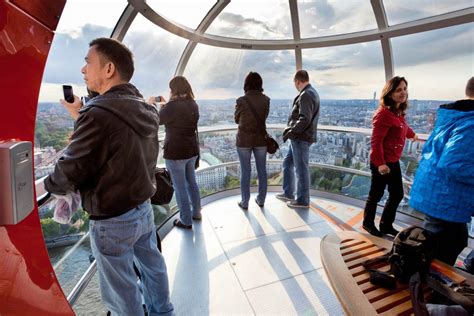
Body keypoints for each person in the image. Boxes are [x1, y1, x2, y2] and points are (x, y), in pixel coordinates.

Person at [44, 38, 173, 315]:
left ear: (109, 69)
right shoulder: (145, 108)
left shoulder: (98, 114)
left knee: (121, 289)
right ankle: (163, 311)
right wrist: (83, 114)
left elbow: (70, 169)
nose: (82, 70)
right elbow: (118, 144)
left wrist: (47, 186)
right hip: (142, 208)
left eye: (88, 62)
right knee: (153, 266)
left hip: (112, 218)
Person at [409, 77, 474, 265]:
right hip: (446, 197)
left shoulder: (452, 116)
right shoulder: (470, 122)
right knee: (445, 246)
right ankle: (430, 288)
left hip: (437, 192)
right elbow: (453, 164)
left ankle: (426, 282)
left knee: (448, 241)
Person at [362, 76, 418, 237]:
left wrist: (412, 135)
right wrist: (380, 163)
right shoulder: (384, 114)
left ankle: (386, 225)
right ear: (390, 93)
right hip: (382, 162)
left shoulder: (398, 113)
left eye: (405, 89)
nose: (403, 92)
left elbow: (402, 128)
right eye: (398, 89)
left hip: (393, 161)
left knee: (397, 194)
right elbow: (376, 140)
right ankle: (368, 223)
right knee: (376, 195)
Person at [155, 76, 201, 229]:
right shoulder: (193, 105)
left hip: (176, 152)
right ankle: (196, 213)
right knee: (192, 183)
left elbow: (157, 120)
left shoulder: (171, 107)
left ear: (173, 90)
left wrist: (162, 106)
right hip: (191, 150)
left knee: (180, 187)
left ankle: (186, 220)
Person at [277, 70, 320, 208]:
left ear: (297, 81)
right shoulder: (312, 92)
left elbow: (305, 119)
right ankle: (288, 192)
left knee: (301, 169)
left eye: (295, 83)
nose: (295, 86)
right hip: (301, 137)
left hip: (300, 137)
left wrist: (290, 130)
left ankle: (302, 200)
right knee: (288, 163)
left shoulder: (306, 94)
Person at [234, 72, 270, 209]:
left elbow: (236, 119)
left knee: (245, 172)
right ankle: (261, 200)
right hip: (261, 140)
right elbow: (264, 118)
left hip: (244, 140)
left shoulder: (241, 100)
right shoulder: (266, 100)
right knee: (262, 171)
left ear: (246, 84)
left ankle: (245, 202)